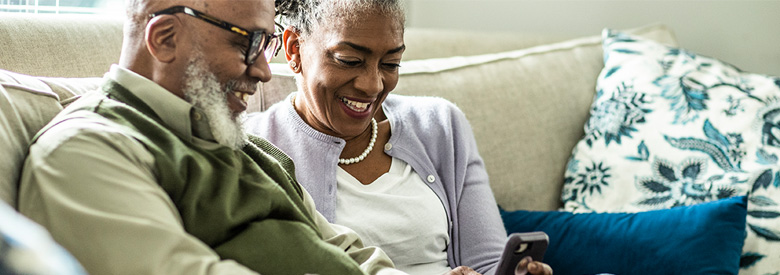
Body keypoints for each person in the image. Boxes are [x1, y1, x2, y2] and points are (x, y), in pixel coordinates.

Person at [16, 0, 405, 274]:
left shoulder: (245, 146)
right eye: (246, 43)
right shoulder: (88, 151)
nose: (264, 72)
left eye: (265, 44)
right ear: (165, 38)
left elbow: (348, 250)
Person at [246, 1, 553, 275]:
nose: (372, 85)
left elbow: (487, 262)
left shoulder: (441, 125)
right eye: (350, 60)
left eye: (391, 64)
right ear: (293, 49)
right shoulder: (252, 147)